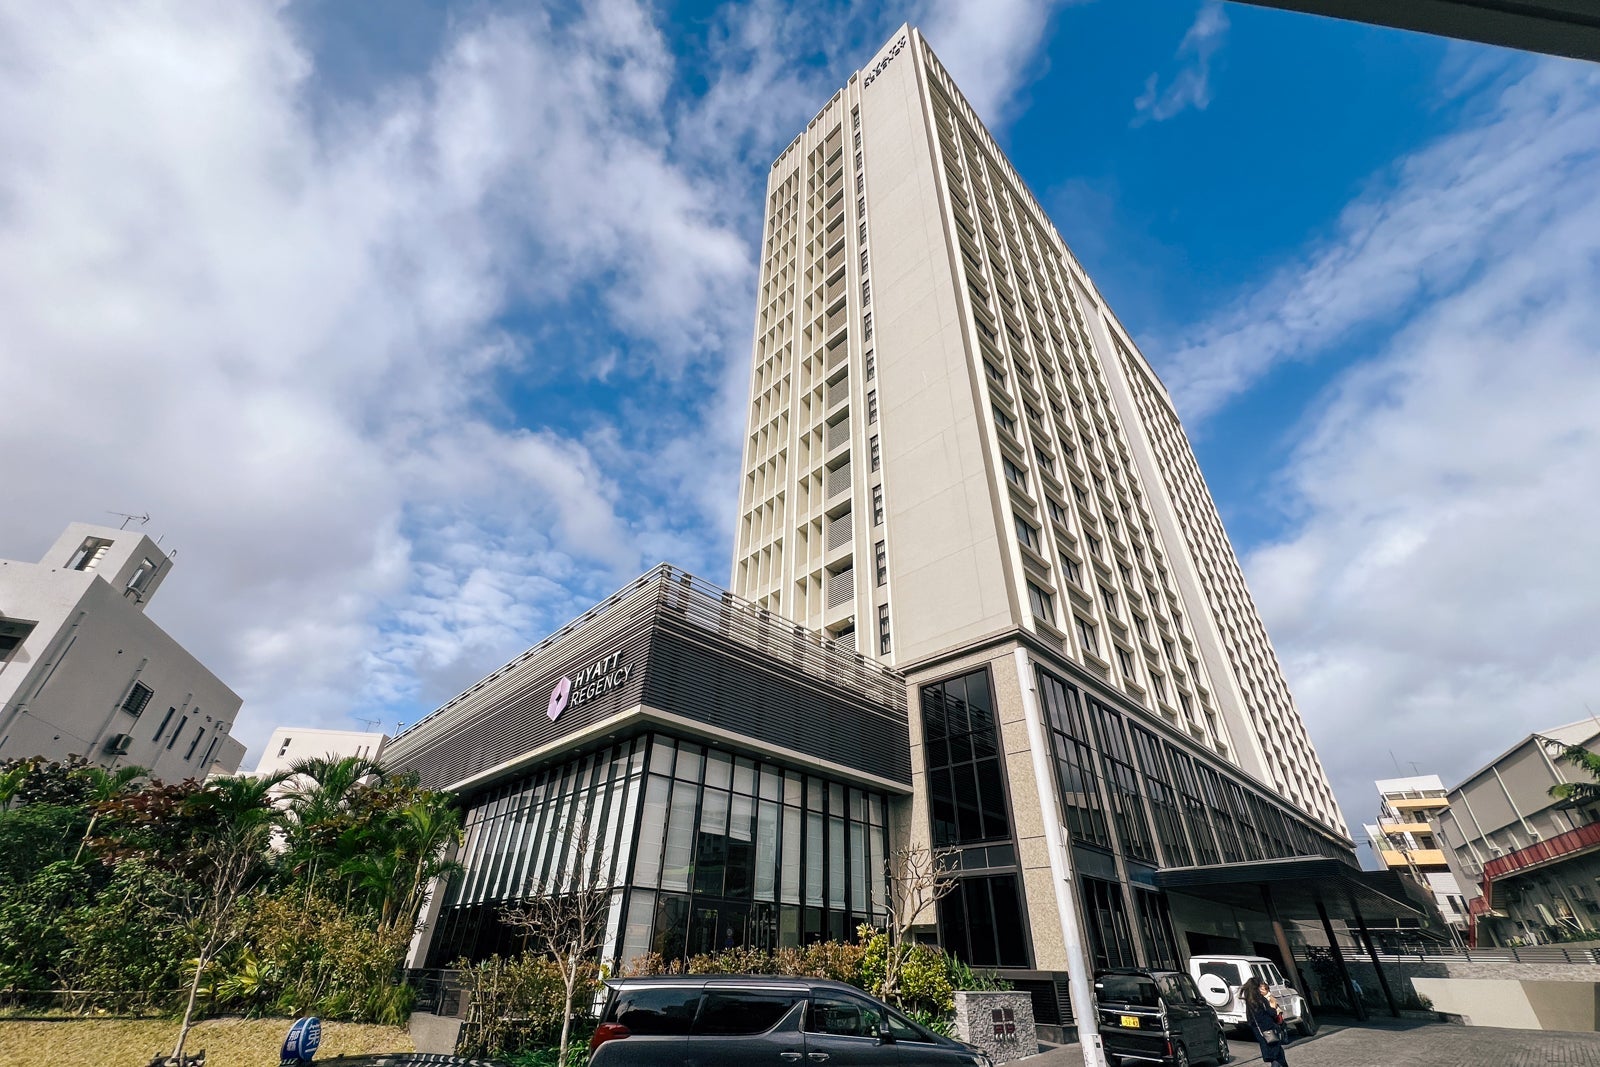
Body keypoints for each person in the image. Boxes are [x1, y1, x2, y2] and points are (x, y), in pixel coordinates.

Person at [1243, 977, 1289, 1066]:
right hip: (1270, 1030)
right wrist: (1274, 1008)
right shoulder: (1261, 999)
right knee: (1277, 1056)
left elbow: (1250, 1019)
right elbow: (1270, 1013)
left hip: (1260, 1033)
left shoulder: (1250, 1001)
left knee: (1276, 1055)